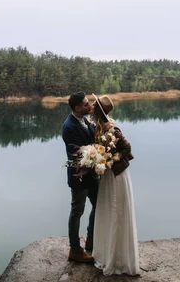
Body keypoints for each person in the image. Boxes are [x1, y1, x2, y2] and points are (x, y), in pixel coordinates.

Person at [90, 94, 140, 276]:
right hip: (108, 176)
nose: (90, 108)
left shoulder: (113, 130)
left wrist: (110, 159)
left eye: (93, 106)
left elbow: (127, 149)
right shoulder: (98, 126)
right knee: (107, 211)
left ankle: (119, 259)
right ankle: (106, 252)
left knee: (116, 212)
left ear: (98, 111)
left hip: (117, 176)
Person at [62, 91, 99, 263]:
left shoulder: (85, 119)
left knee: (99, 205)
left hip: (92, 173)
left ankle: (91, 239)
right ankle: (75, 249)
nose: (89, 105)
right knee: (77, 211)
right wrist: (98, 149)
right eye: (85, 104)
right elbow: (76, 153)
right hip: (79, 175)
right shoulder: (69, 127)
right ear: (77, 107)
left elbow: (93, 136)